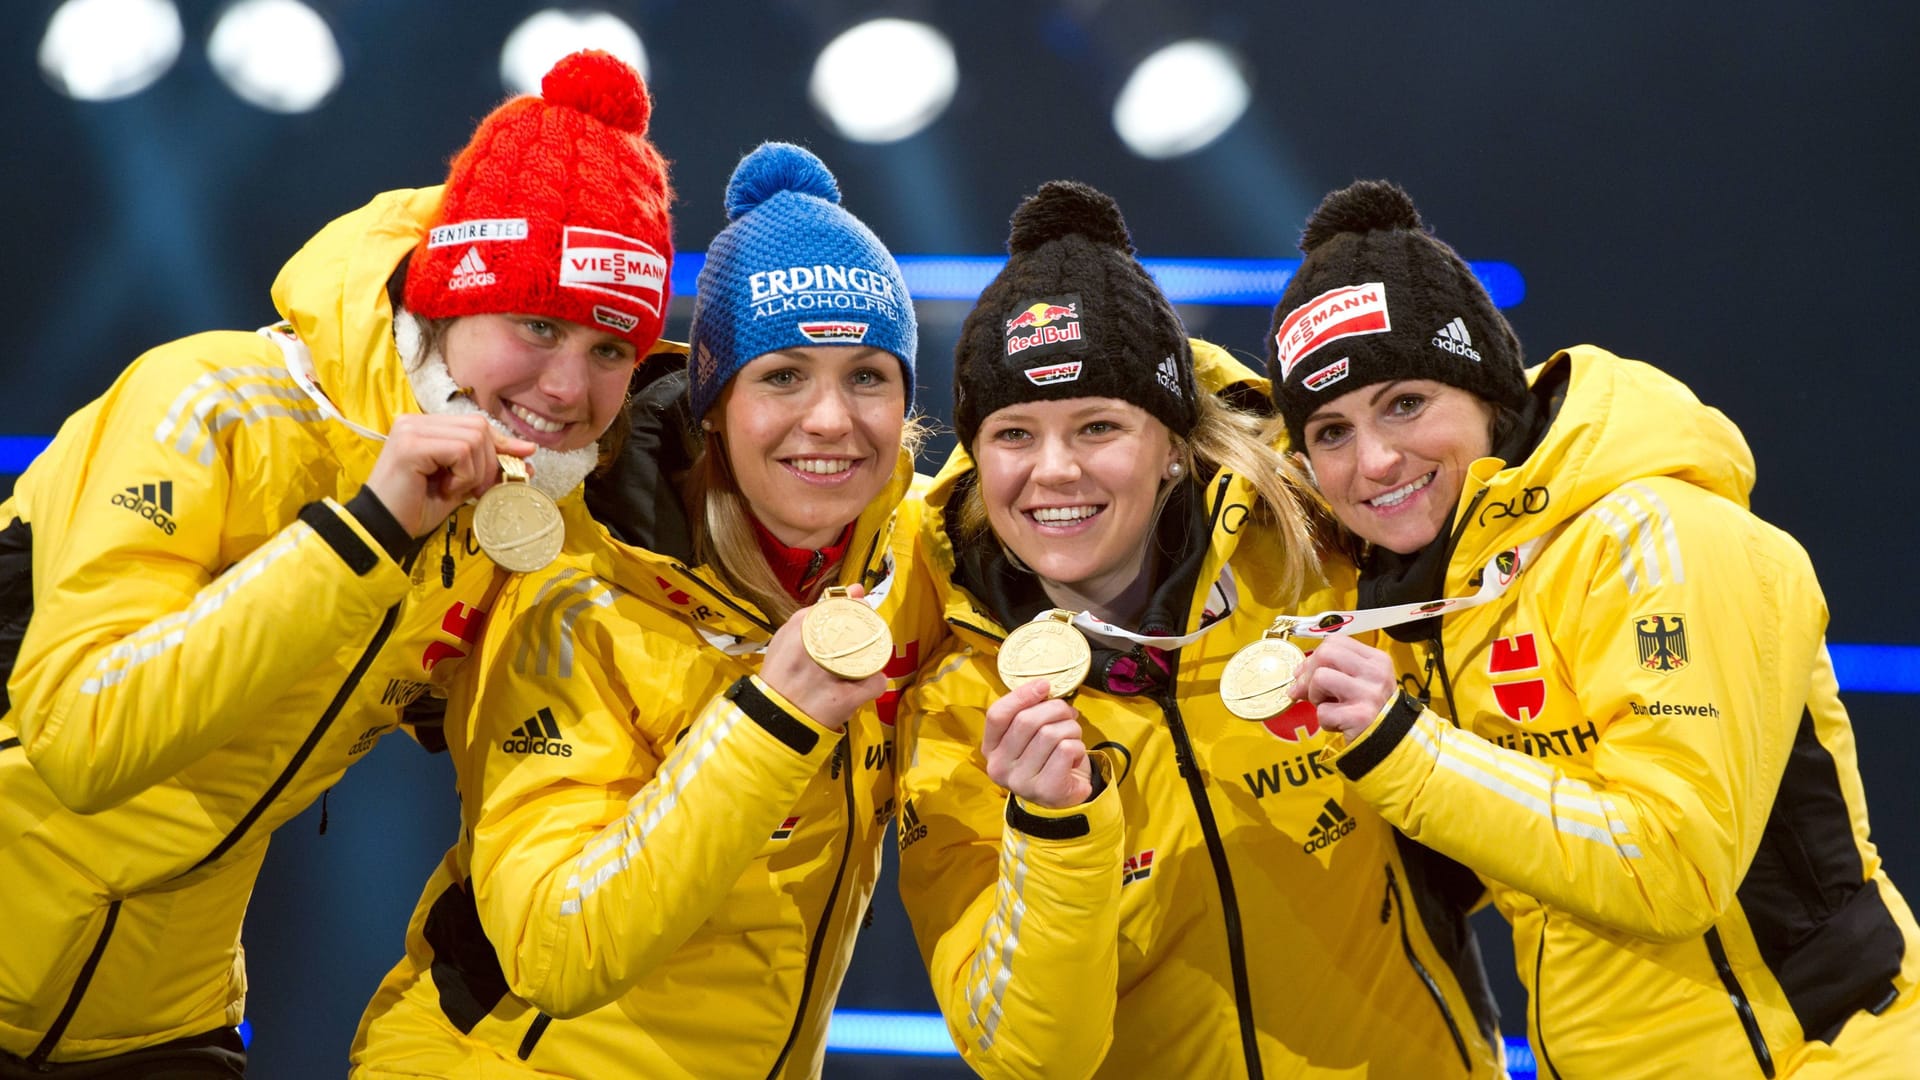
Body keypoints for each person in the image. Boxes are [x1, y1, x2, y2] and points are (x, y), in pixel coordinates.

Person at [0, 50, 672, 1076]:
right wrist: (365, 532)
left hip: (160, 1022)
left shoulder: (524, 515)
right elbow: (85, 744)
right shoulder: (206, 401)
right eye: (535, 326)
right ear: (450, 301)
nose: (567, 386)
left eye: (610, 349)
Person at [1269, 179, 1920, 1077]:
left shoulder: (1661, 535)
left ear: (1488, 392)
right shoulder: (1435, 592)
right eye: (1331, 431)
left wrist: (1402, 748)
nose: (1374, 460)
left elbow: (1670, 867)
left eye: (1406, 404)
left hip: (1816, 1058)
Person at [348, 141, 941, 1079]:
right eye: (783, 375)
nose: (831, 419)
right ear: (712, 402)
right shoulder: (574, 592)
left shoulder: (914, 556)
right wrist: (768, 722)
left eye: (868, 375)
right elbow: (556, 949)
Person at [895, 180, 1504, 1079]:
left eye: (1098, 426)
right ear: (977, 457)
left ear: (1173, 444)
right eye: (1014, 434)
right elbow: (1028, 1057)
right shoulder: (952, 705)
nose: (1053, 472)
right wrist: (1052, 833)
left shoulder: (1320, 562)